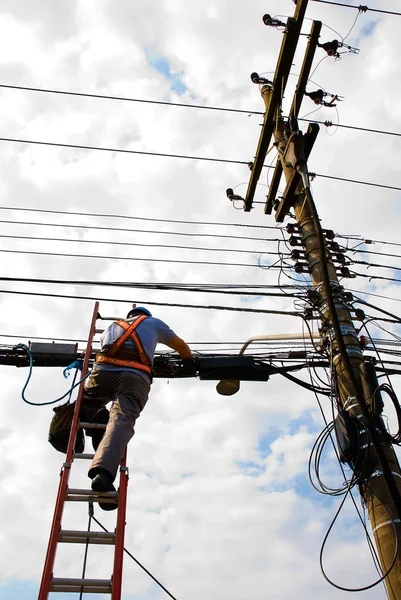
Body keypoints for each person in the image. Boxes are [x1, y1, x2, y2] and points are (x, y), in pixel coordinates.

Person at [80, 304, 192, 510]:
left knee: (85, 404)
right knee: (121, 420)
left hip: (102, 372)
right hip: (134, 376)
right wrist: (189, 361)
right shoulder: (154, 323)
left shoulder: (110, 327)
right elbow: (182, 347)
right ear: (145, 316)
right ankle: (102, 474)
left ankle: (96, 418)